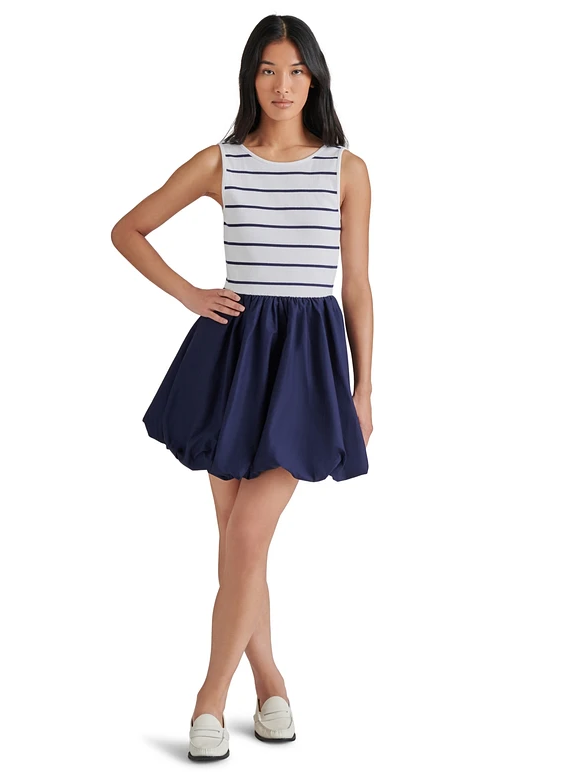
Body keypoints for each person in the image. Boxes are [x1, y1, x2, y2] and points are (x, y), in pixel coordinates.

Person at [110, 14, 373, 762]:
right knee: (238, 543)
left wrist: (364, 388)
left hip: (308, 369)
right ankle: (271, 684)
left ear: (314, 79)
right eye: (267, 70)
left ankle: (208, 698)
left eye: (295, 71)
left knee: (247, 537)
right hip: (232, 359)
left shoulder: (347, 170)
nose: (281, 85)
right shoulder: (220, 162)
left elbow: (356, 286)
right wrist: (190, 294)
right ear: (250, 78)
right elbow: (127, 230)